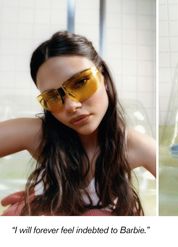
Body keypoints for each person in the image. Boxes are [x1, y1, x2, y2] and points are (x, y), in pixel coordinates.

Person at [0, 31, 156, 216]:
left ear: (103, 77)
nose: (71, 106)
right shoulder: (39, 135)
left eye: (81, 82)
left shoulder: (136, 146)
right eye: (53, 97)